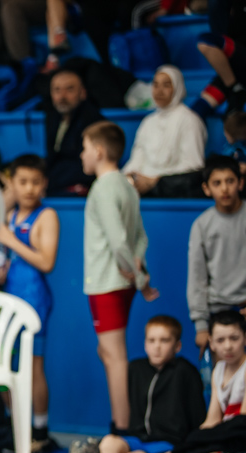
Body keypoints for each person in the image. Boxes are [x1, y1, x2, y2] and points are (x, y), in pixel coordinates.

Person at [62, 315, 207, 453]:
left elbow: (198, 417)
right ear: (145, 344)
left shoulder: (186, 373)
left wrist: (189, 448)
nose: (157, 347)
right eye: (151, 341)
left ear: (177, 346)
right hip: (135, 437)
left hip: (166, 443)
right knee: (110, 442)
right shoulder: (136, 369)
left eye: (164, 341)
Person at [80, 120, 159, 434]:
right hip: (120, 284)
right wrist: (138, 272)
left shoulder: (103, 188)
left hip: (106, 284)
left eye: (84, 149)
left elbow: (119, 241)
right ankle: (124, 423)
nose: (81, 156)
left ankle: (123, 429)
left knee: (114, 357)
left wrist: (138, 277)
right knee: (109, 353)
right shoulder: (128, 185)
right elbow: (140, 238)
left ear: (99, 152)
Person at [0, 154, 60, 447]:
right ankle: (14, 424)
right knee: (3, 365)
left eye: (35, 182)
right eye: (22, 182)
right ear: (12, 184)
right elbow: (4, 258)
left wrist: (11, 240)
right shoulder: (9, 216)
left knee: (33, 366)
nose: (29, 189)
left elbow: (46, 262)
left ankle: (40, 431)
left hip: (34, 299)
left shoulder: (46, 216)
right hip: (9, 296)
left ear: (44, 185)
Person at [162, 310, 246, 453]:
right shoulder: (218, 370)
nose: (228, 346)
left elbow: (241, 424)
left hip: (240, 444)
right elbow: (212, 420)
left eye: (234, 338)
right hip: (227, 439)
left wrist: (200, 443)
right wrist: (190, 445)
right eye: (221, 340)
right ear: (211, 343)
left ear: (244, 338)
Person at [187, 155, 246, 355]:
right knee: (221, 381)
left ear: (241, 183)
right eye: (217, 183)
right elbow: (197, 277)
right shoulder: (202, 225)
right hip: (217, 313)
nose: (224, 188)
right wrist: (201, 326)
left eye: (230, 181)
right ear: (206, 188)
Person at [123, 66, 207, 198]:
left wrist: (154, 180)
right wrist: (131, 176)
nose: (159, 91)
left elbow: (193, 165)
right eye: (155, 85)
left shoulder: (189, 120)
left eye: (166, 85)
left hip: (172, 188)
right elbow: (137, 158)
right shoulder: (148, 122)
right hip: (143, 185)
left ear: (177, 88)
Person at [45, 69, 104, 196]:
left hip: (81, 181)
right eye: (57, 90)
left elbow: (88, 168)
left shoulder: (94, 121)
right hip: (57, 178)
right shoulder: (52, 117)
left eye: (69, 89)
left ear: (83, 93)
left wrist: (47, 180)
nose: (62, 96)